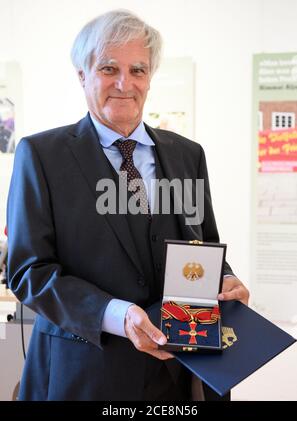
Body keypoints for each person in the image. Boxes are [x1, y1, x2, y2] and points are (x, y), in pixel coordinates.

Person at [7, 9, 249, 401]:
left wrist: (225, 281)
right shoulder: (41, 155)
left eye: (138, 70)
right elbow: (28, 273)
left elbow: (202, 247)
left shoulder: (187, 155)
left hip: (182, 376)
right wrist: (117, 315)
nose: (125, 83)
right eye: (108, 68)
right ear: (82, 75)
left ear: (150, 78)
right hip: (83, 376)